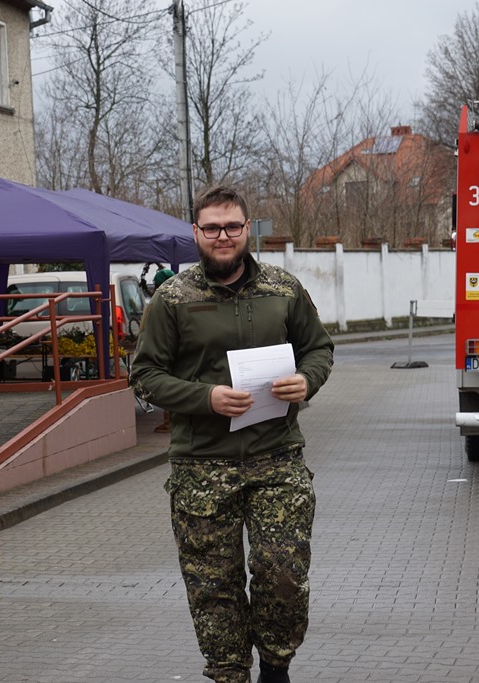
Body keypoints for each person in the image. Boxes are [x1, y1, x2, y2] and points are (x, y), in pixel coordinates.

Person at [130, 186, 334, 683]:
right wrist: (207, 398)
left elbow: (319, 349)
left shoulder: (283, 290)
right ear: (196, 232)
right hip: (203, 466)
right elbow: (145, 375)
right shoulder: (173, 298)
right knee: (212, 586)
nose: (223, 236)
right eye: (212, 228)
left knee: (283, 574)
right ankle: (228, 674)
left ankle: (276, 666)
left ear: (247, 230)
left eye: (233, 227)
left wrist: (306, 380)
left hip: (276, 458)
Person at [151, 265, 176, 433]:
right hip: (180, 350)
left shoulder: (159, 300)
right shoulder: (184, 295)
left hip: (167, 350)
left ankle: (169, 421)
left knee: (168, 384)